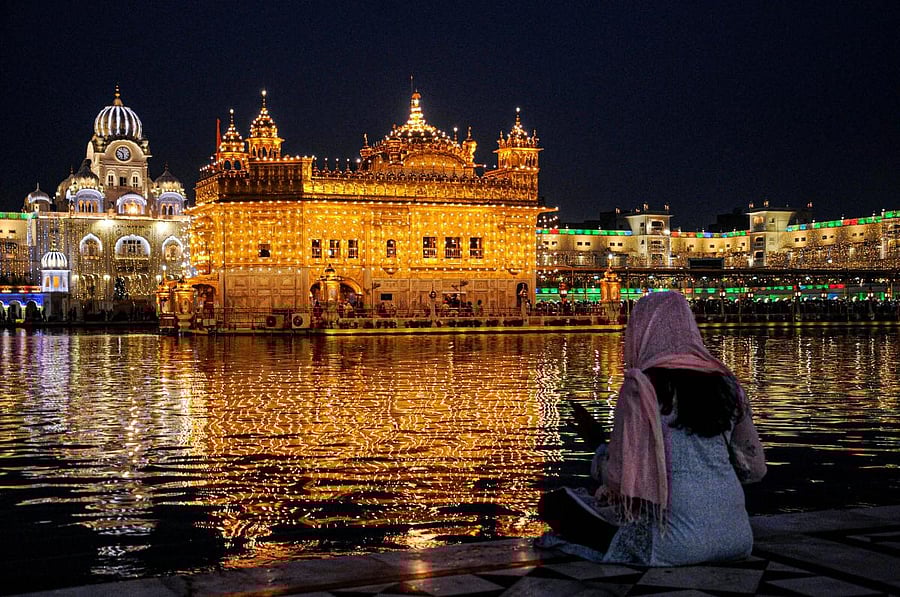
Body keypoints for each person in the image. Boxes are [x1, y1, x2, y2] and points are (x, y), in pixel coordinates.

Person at [538, 291, 767, 566]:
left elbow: (618, 479)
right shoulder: (727, 385)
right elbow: (755, 469)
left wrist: (598, 448)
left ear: (641, 331)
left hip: (673, 546)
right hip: (737, 537)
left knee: (554, 505)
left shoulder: (641, 387)